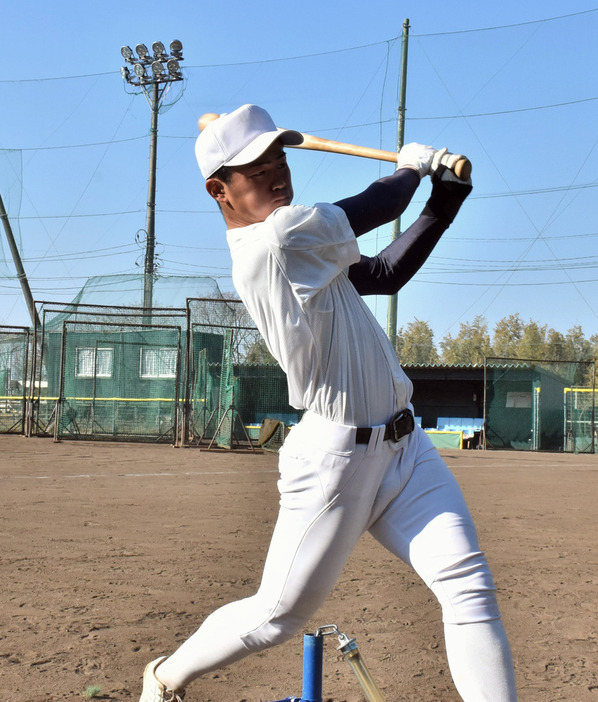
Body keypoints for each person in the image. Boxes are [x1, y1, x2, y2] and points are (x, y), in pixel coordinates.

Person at [139, 104, 517, 702]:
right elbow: (376, 206)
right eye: (255, 170)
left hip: (405, 451)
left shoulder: (306, 245)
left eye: (278, 160)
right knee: (277, 616)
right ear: (220, 191)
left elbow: (384, 272)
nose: (276, 175)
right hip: (333, 463)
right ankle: (165, 678)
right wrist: (414, 168)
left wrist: (446, 200)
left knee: (468, 587)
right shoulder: (277, 241)